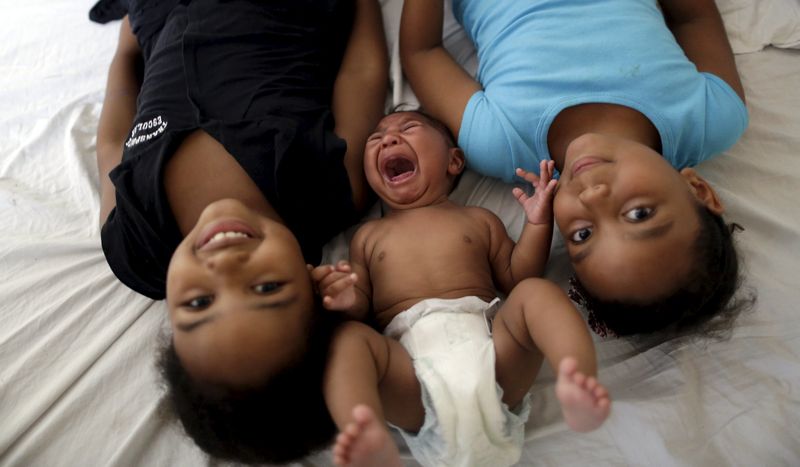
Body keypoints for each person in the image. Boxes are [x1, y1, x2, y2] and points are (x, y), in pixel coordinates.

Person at [94, 0, 388, 462]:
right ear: (316, 286)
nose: (226, 267)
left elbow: (112, 140)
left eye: (198, 302)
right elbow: (362, 74)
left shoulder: (136, 244)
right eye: (266, 287)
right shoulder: (328, 190)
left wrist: (128, 44)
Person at [399, 0, 751, 338]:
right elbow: (694, 17)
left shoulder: (500, 139)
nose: (593, 197)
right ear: (698, 191)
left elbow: (423, 52)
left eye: (583, 234)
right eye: (639, 214)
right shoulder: (712, 116)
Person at [312, 110, 611, 467]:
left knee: (535, 292)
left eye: (408, 128)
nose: (388, 139)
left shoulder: (479, 219)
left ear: (454, 161)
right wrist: (345, 300)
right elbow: (362, 309)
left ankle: (575, 376)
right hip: (409, 374)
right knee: (349, 340)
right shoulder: (366, 237)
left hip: (493, 357)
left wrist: (537, 222)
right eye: (375, 138)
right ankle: (363, 429)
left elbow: (516, 276)